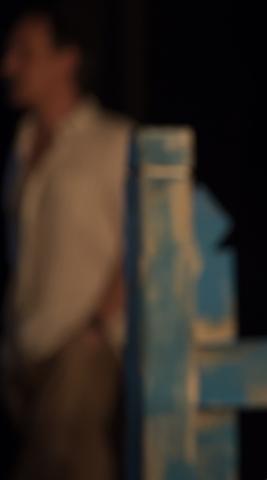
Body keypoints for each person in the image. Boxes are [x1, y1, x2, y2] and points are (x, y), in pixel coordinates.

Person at [1, 4, 132, 479]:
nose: (8, 66)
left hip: (81, 348)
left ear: (66, 59)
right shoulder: (21, 145)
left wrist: (94, 330)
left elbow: (140, 242)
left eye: (25, 53)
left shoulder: (112, 141)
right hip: (26, 350)